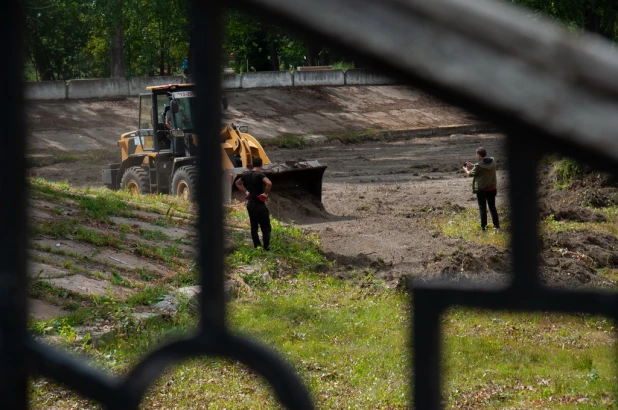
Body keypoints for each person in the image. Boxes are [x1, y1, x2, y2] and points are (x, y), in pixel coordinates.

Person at [235, 157, 273, 250]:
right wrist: (265, 194)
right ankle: (266, 247)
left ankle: (257, 246)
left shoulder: (246, 174)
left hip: (250, 204)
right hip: (259, 204)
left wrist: (246, 192)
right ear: (261, 164)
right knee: (265, 227)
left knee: (254, 226)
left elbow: (238, 183)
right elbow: (269, 183)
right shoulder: (259, 174)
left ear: (252, 164)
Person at [463, 147, 500, 232]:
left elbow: (470, 174)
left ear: (479, 155)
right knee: (492, 207)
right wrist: (473, 165)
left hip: (482, 190)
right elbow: (482, 165)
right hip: (492, 188)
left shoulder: (479, 166)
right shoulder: (492, 161)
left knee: (482, 208)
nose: (476, 156)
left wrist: (465, 169)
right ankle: (497, 226)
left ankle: (483, 227)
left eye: (477, 155)